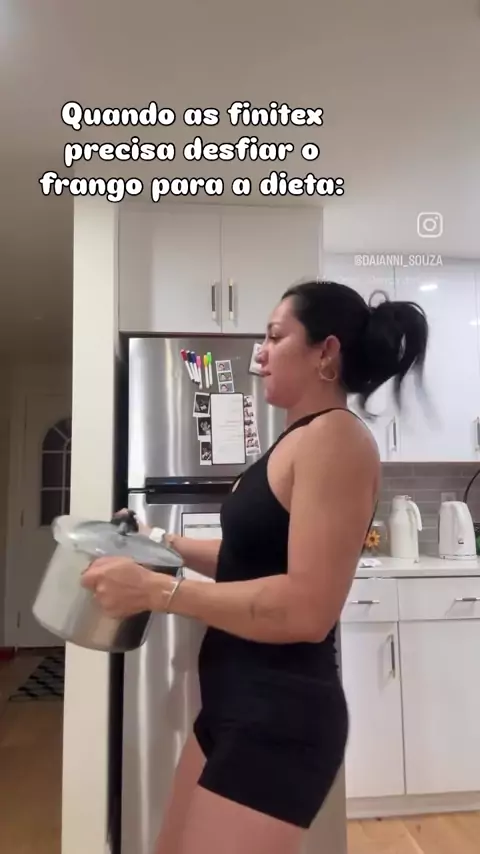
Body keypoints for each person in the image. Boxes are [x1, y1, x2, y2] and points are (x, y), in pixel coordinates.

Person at [82, 280, 428, 854]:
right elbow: (250, 560)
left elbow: (306, 610)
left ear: (326, 352)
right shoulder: (297, 440)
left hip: (280, 717)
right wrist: (160, 542)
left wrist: (155, 592)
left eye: (274, 337)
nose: (259, 354)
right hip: (233, 704)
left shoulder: (336, 439)